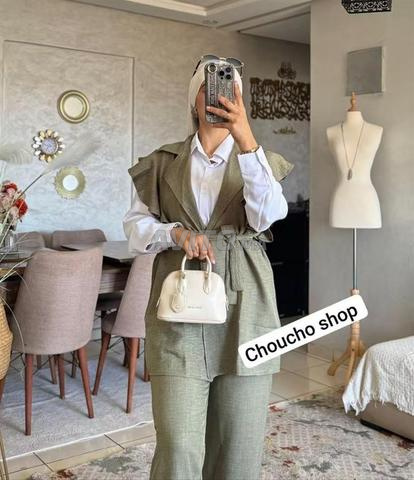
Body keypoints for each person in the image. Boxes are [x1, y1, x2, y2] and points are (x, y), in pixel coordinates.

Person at [123, 55, 294, 480]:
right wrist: (176, 233)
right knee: (178, 443)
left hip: (247, 308)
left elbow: (268, 216)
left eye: (230, 88)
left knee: (238, 444)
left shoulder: (260, 160)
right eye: (210, 86)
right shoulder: (161, 162)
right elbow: (135, 230)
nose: (219, 96)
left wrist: (246, 136)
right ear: (194, 100)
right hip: (178, 308)